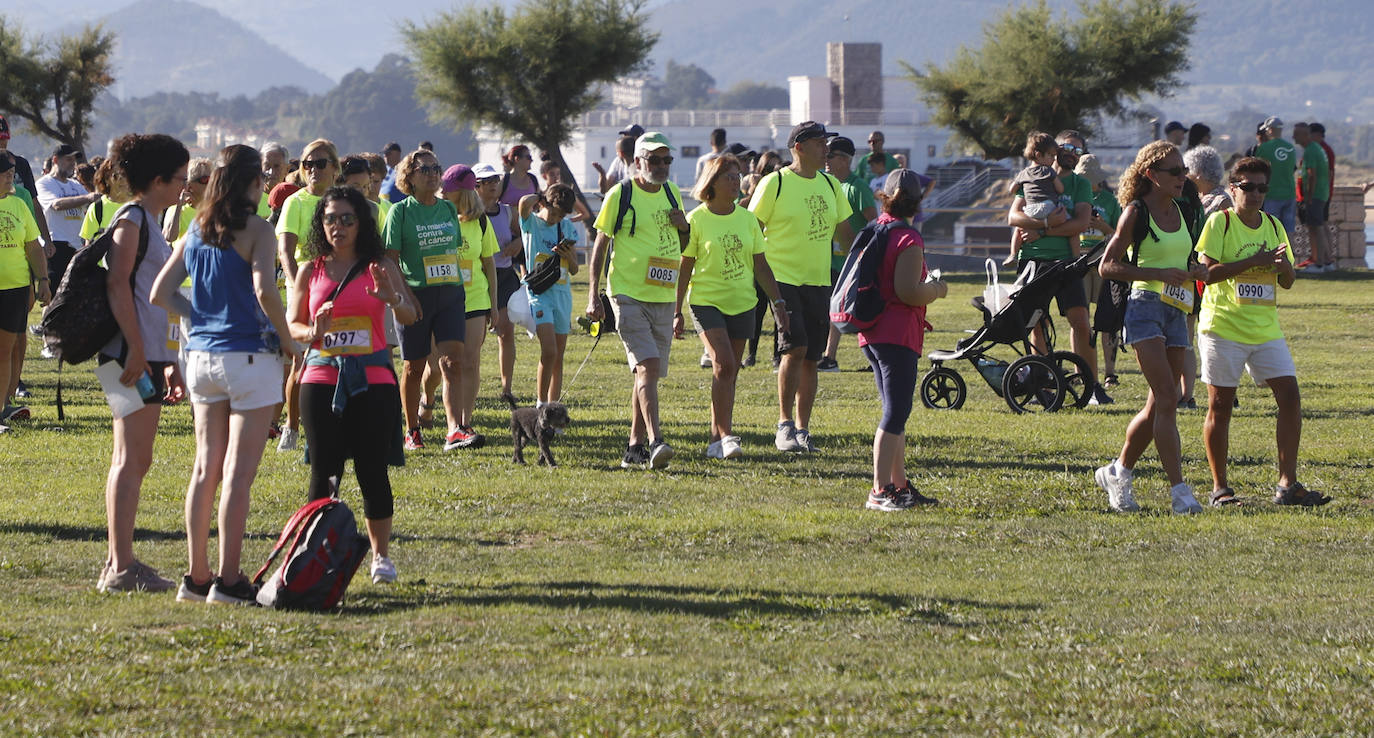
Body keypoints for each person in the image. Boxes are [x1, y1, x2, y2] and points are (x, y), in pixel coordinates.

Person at [150, 144, 298, 604]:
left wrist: (198, 313)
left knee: (204, 469)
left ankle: (196, 577)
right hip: (250, 355)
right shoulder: (258, 228)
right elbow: (264, 289)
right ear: (257, 183)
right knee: (237, 473)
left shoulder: (195, 227)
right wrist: (288, 339)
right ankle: (230, 579)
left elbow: (161, 292)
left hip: (201, 359)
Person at [290, 186, 417, 583]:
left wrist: (392, 298)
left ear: (361, 223)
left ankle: (380, 558)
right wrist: (314, 329)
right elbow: (293, 326)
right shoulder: (311, 269)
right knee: (324, 471)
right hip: (321, 377)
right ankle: (316, 554)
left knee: (372, 469)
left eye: (347, 219)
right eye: (331, 219)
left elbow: (412, 314)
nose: (338, 227)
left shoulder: (378, 265)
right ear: (321, 223)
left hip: (373, 380)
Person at [1195, 156, 1327, 508]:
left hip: (1266, 329)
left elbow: (1288, 281)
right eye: (1248, 187)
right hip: (1222, 327)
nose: (1256, 194)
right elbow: (1206, 274)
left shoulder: (1273, 225)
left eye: (1262, 188)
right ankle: (1220, 489)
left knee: (1290, 397)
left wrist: (1283, 267)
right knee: (1220, 406)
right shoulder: (1218, 224)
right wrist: (1254, 261)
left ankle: (1287, 484)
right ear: (1233, 188)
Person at [96, 133, 190, 592]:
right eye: (178, 178)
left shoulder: (149, 219)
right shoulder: (133, 218)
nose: (184, 187)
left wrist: (166, 358)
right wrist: (136, 348)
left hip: (145, 353)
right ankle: (121, 567)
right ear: (156, 180)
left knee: (132, 458)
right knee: (131, 459)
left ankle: (118, 560)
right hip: (128, 355)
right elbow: (118, 285)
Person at [1094, 141, 1208, 514]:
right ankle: (1180, 492)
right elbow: (1107, 266)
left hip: (1178, 308)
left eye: (1184, 171)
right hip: (1144, 308)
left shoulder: (1184, 209)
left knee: (1162, 401)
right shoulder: (1134, 212)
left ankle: (1118, 471)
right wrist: (1155, 273)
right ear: (1151, 175)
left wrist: (1196, 270)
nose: (1182, 178)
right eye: (1175, 172)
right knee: (1167, 398)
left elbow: (1185, 256)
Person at [747, 121, 855, 454]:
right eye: (821, 142)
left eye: (828, 142)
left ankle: (803, 429)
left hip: (819, 280)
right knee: (793, 349)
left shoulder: (830, 185)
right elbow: (752, 230)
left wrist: (867, 261)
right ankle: (784, 426)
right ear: (800, 147)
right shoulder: (774, 183)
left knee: (812, 357)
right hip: (782, 280)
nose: (827, 148)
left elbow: (846, 235)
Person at [674, 154, 788, 459]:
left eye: (738, 176)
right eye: (729, 177)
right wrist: (676, 311)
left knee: (730, 371)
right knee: (723, 363)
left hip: (743, 304)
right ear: (712, 182)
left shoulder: (748, 219)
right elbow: (686, 266)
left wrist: (777, 303)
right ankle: (726, 435)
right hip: (706, 302)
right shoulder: (696, 219)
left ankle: (715, 440)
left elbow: (761, 265)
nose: (736, 182)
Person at [586, 132, 689, 469]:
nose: (661, 167)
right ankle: (657, 440)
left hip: (663, 294)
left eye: (666, 160)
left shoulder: (673, 193)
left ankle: (634, 447)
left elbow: (684, 239)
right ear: (638, 162)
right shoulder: (621, 193)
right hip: (628, 294)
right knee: (647, 367)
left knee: (648, 374)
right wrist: (593, 295)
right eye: (654, 160)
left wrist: (683, 226)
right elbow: (600, 245)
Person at [859, 170, 949, 510]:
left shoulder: (877, 229)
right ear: (917, 200)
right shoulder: (908, 238)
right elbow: (909, 292)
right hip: (896, 334)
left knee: (893, 412)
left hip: (872, 331)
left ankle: (899, 485)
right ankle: (880, 490)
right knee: (896, 413)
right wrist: (937, 290)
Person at [1006, 130, 1109, 405]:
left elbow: (1080, 223)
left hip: (1066, 262)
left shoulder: (1080, 185)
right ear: (1053, 148)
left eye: (1078, 150)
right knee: (1036, 324)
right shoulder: (1032, 176)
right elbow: (1014, 216)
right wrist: (1043, 226)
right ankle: (1041, 386)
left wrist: (1042, 231)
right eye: (1067, 147)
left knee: (1081, 322)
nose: (1072, 153)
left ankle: (1091, 385)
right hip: (1032, 261)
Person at [384, 148, 468, 451]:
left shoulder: (447, 209)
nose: (433, 174)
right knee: (413, 368)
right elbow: (390, 260)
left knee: (452, 363)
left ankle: (454, 429)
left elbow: (453, 250)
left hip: (450, 293)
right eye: (425, 170)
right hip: (415, 296)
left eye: (436, 169)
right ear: (410, 177)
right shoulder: (400, 211)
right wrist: (405, 297)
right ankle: (412, 430)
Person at [273, 140, 340, 452]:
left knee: (339, 358)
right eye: (308, 164)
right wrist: (294, 283)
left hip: (339, 286)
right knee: (302, 362)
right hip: (305, 287)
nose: (314, 169)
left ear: (335, 168)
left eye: (321, 163)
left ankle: (334, 426)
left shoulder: (341, 201)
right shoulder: (295, 203)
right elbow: (285, 250)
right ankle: (292, 425)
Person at [442, 164, 498, 445]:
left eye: (447, 189)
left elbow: (489, 264)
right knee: (449, 363)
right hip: (445, 299)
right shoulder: (439, 217)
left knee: (470, 362)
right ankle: (447, 420)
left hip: (476, 298)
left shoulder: (481, 221)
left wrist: (495, 307)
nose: (442, 192)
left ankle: (465, 422)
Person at [1180, 145, 1232, 410]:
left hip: (1209, 275)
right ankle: (1189, 393)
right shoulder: (1197, 199)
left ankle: (1213, 392)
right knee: (1191, 334)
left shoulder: (1220, 201)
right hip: (1196, 273)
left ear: (1197, 171)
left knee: (1208, 335)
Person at [819, 136, 877, 373]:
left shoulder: (857, 187)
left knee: (851, 309)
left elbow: (874, 223)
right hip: (832, 261)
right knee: (835, 308)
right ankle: (829, 357)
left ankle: (831, 357)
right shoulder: (829, 185)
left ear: (844, 159)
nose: (826, 160)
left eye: (830, 156)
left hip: (852, 261)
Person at [0, 154, 49, 431]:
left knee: (5, 351)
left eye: (13, 173)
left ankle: (2, 406)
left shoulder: (19, 204)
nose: (12, 178)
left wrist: (42, 280)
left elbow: (33, 246)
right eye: (7, 174)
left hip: (16, 288)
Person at [520, 183, 580, 405]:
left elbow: (574, 270)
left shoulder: (566, 227)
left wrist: (568, 256)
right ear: (544, 203)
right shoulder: (531, 222)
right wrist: (543, 195)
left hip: (561, 295)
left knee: (558, 357)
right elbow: (523, 203)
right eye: (554, 212)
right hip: (539, 294)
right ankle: (541, 403)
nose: (556, 218)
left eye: (561, 215)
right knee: (549, 351)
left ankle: (554, 407)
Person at [472, 163, 523, 403]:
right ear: (476, 186)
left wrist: (518, 243)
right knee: (476, 337)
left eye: (495, 180)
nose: (493, 184)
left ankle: (506, 388)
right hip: (477, 278)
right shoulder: (469, 214)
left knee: (506, 332)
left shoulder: (507, 212)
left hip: (504, 277)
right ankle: (473, 384)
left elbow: (524, 233)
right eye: (487, 181)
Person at [1075, 154, 1123, 394]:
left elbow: (1121, 234)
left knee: (1106, 321)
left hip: (1104, 260)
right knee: (1080, 319)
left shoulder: (1111, 201)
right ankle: (1079, 369)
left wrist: (1104, 227)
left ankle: (1110, 372)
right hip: (1081, 261)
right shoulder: (1075, 198)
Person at [36, 144, 101, 288]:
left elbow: (93, 202)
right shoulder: (44, 183)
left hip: (77, 245)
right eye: (68, 159)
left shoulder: (75, 185)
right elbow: (56, 205)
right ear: (55, 160)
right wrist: (88, 197)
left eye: (74, 160)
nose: (72, 163)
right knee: (55, 296)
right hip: (57, 245)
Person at [1003, 132, 1070, 267]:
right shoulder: (1048, 171)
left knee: (1019, 229)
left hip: (1030, 210)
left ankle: (1012, 254)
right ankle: (1074, 257)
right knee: (1070, 224)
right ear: (1039, 155)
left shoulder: (1023, 173)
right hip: (1048, 207)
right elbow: (1060, 189)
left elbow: (1012, 189)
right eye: (1051, 156)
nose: (1053, 159)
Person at [1291, 123, 1333, 274]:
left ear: (1305, 135)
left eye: (1296, 133)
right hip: (1321, 193)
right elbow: (1328, 173)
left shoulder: (1311, 150)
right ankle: (1325, 261)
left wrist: (1308, 196)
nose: (1293, 137)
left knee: (1316, 227)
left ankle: (1319, 263)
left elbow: (1311, 175)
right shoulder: (1317, 148)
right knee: (1316, 226)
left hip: (1314, 195)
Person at [1253, 117, 1297, 235]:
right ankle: (1289, 253)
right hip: (1290, 193)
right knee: (1289, 232)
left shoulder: (1263, 148)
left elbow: (1256, 170)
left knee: (1271, 231)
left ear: (1270, 130)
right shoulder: (1290, 148)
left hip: (1272, 195)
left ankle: (1274, 254)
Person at [78, 159, 131, 245]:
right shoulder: (97, 208)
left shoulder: (139, 205)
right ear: (106, 179)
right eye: (115, 176)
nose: (121, 179)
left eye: (125, 175)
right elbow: (89, 247)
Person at [162, 157, 213, 242]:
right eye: (205, 180)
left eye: (212, 179)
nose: (210, 183)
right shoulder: (176, 209)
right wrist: (178, 207)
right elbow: (169, 237)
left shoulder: (214, 209)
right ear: (189, 185)